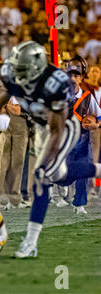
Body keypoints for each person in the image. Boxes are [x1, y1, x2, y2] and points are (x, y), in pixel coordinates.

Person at [0, 41, 101, 258]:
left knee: (43, 177)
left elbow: (57, 129)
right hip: (41, 126)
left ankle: (31, 242)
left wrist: (45, 162)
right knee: (59, 176)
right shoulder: (11, 73)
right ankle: (97, 169)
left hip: (64, 128)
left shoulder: (55, 85)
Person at [66, 60, 101, 214]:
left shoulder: (87, 97)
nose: (73, 78)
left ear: (81, 79)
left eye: (76, 75)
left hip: (81, 140)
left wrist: (96, 125)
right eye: (70, 75)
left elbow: (99, 115)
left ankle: (79, 203)